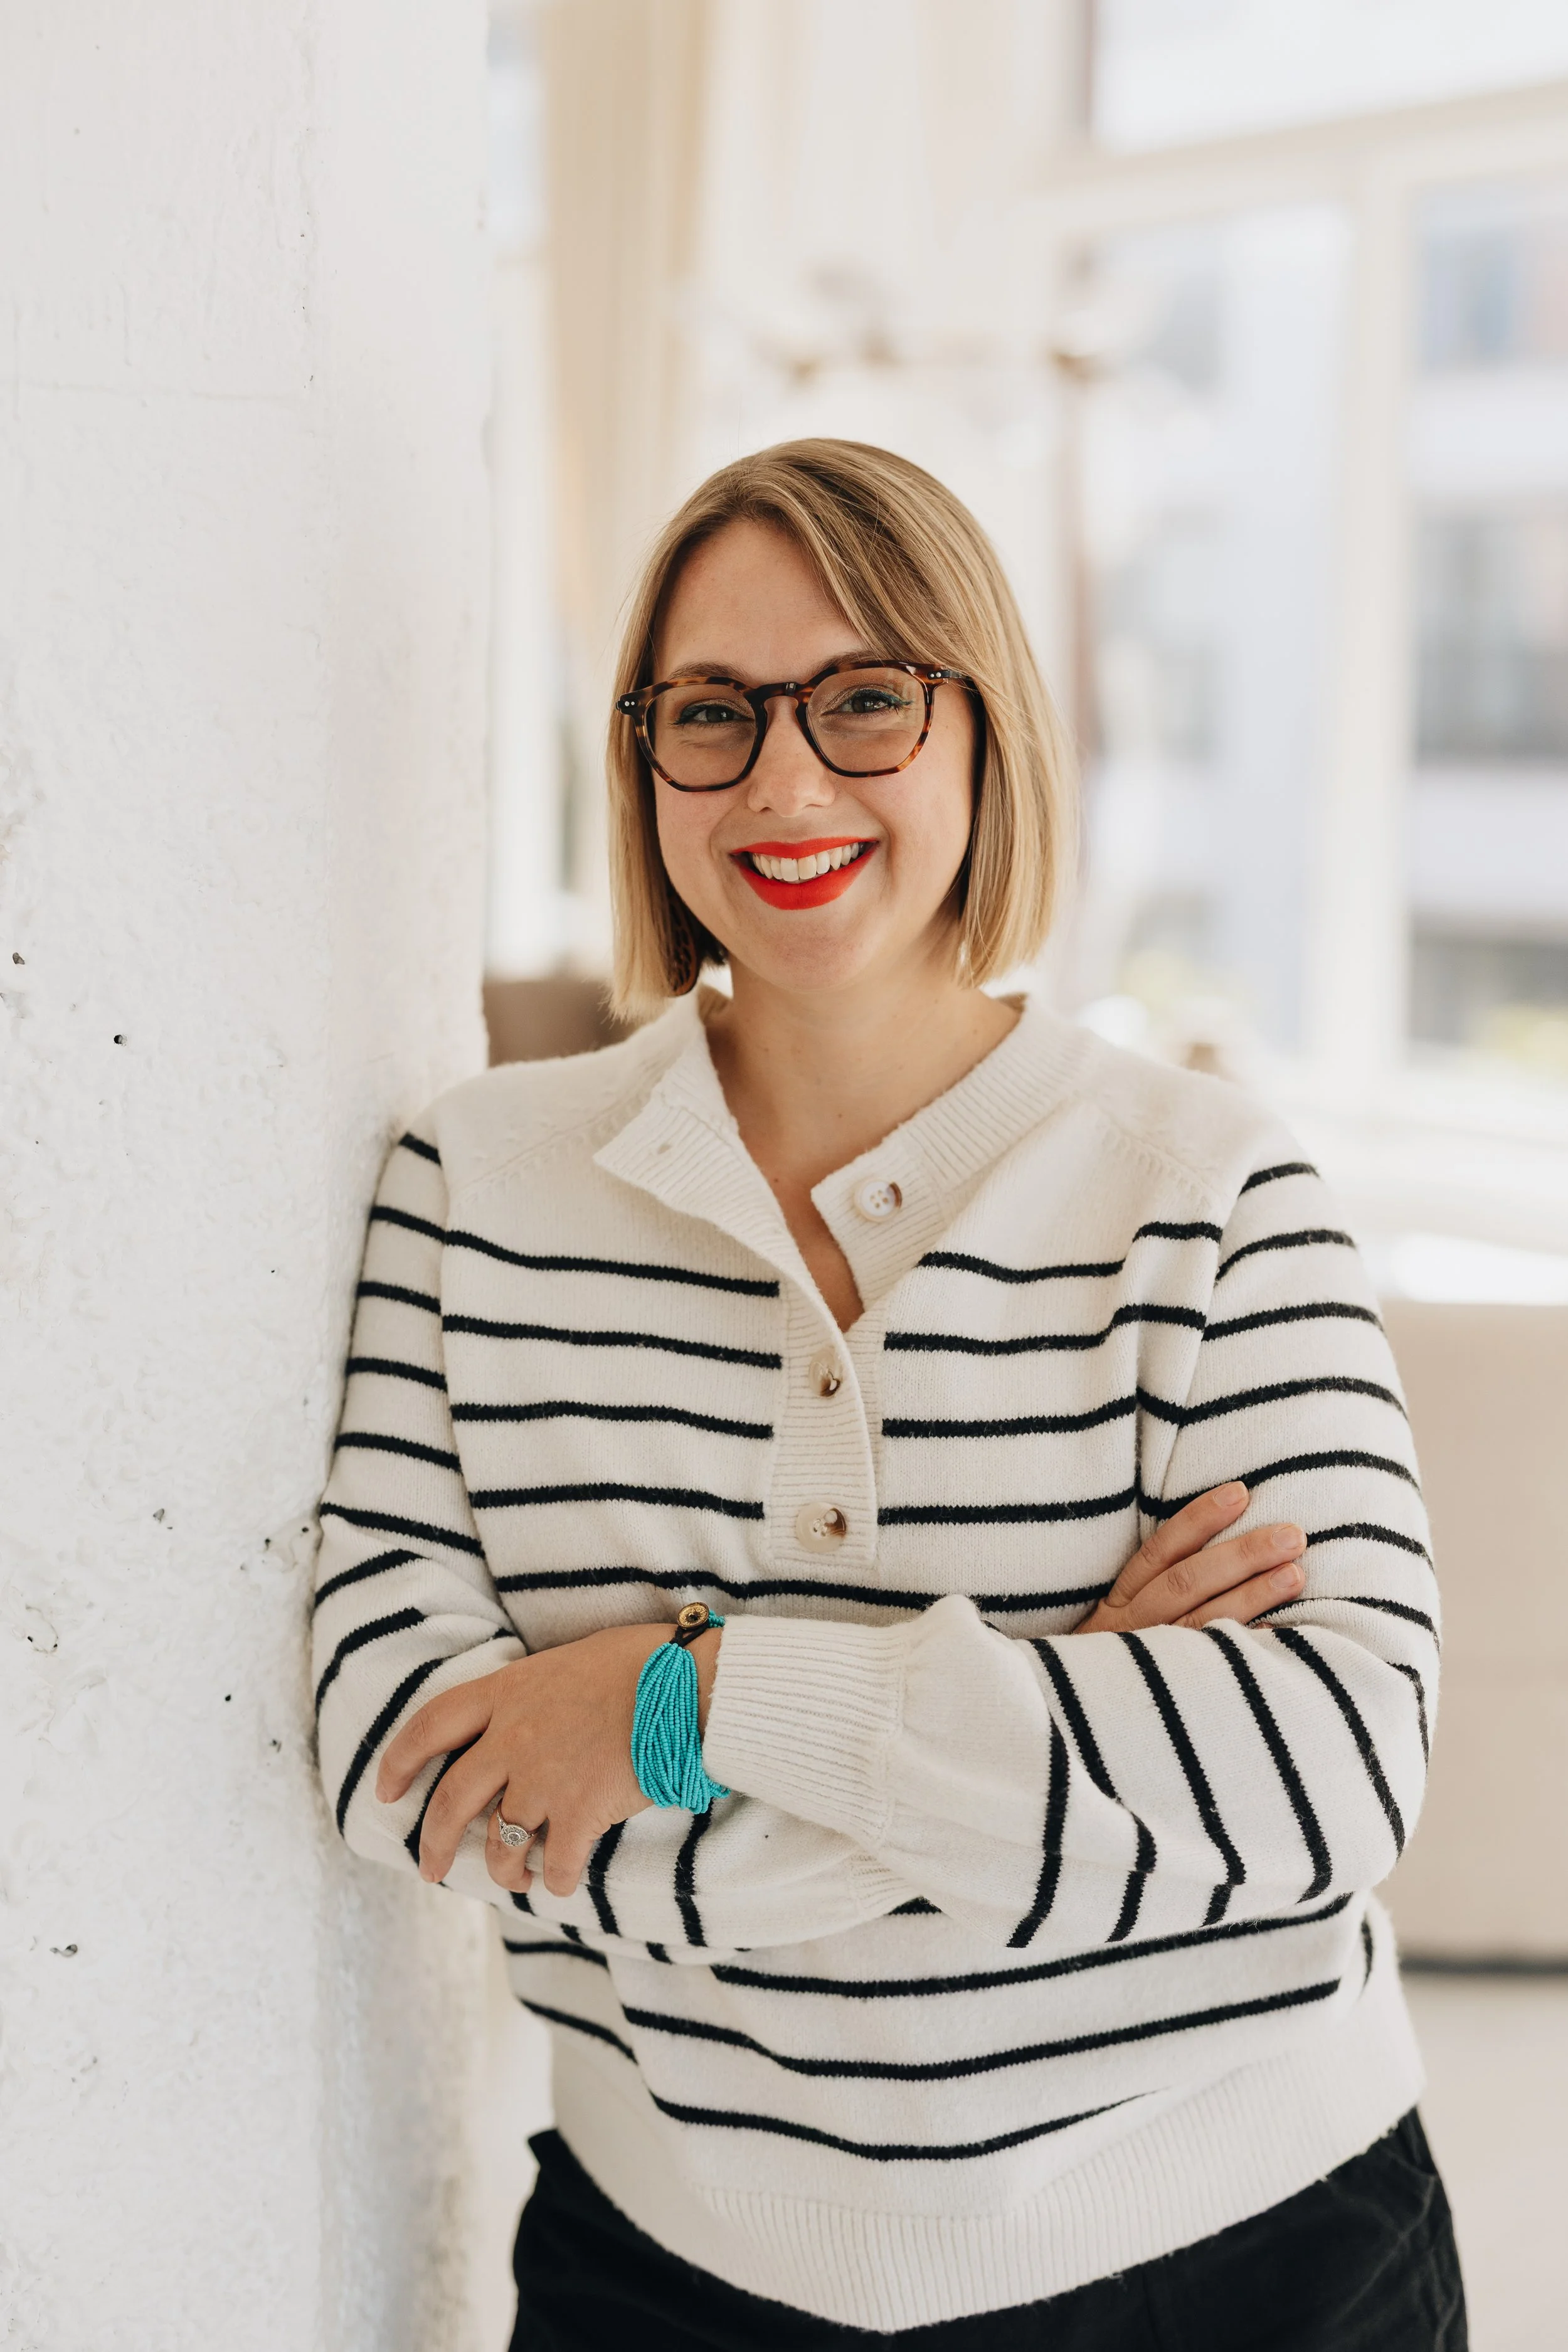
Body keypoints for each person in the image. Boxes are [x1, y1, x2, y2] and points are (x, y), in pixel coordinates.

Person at [313, 440, 1465, 2348]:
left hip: (1246, 2256)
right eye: (712, 713)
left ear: (979, 731)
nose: (784, 781)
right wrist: (1046, 1715)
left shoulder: (1205, 1190)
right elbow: (406, 1759)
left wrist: (680, 1697)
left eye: (863, 700)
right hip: (667, 2265)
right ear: (641, 759)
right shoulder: (474, 1185)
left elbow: (1323, 1778)